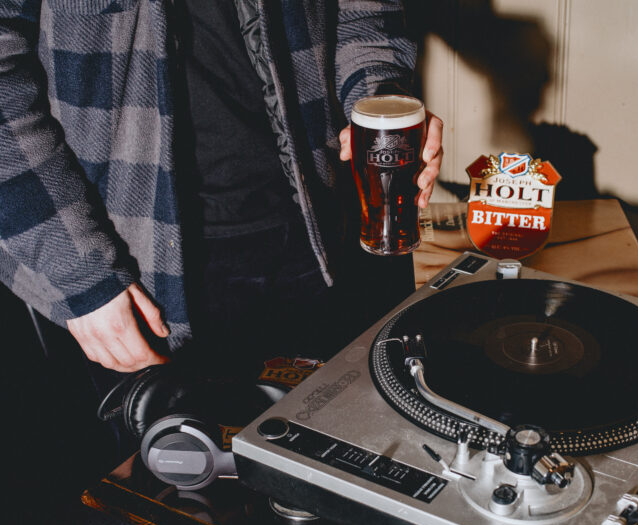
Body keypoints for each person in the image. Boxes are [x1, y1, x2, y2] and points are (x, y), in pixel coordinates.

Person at [0, 0, 443, 380]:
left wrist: (380, 101)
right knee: (173, 477)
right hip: (136, 267)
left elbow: (363, 13)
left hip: (321, 233)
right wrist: (79, 276)